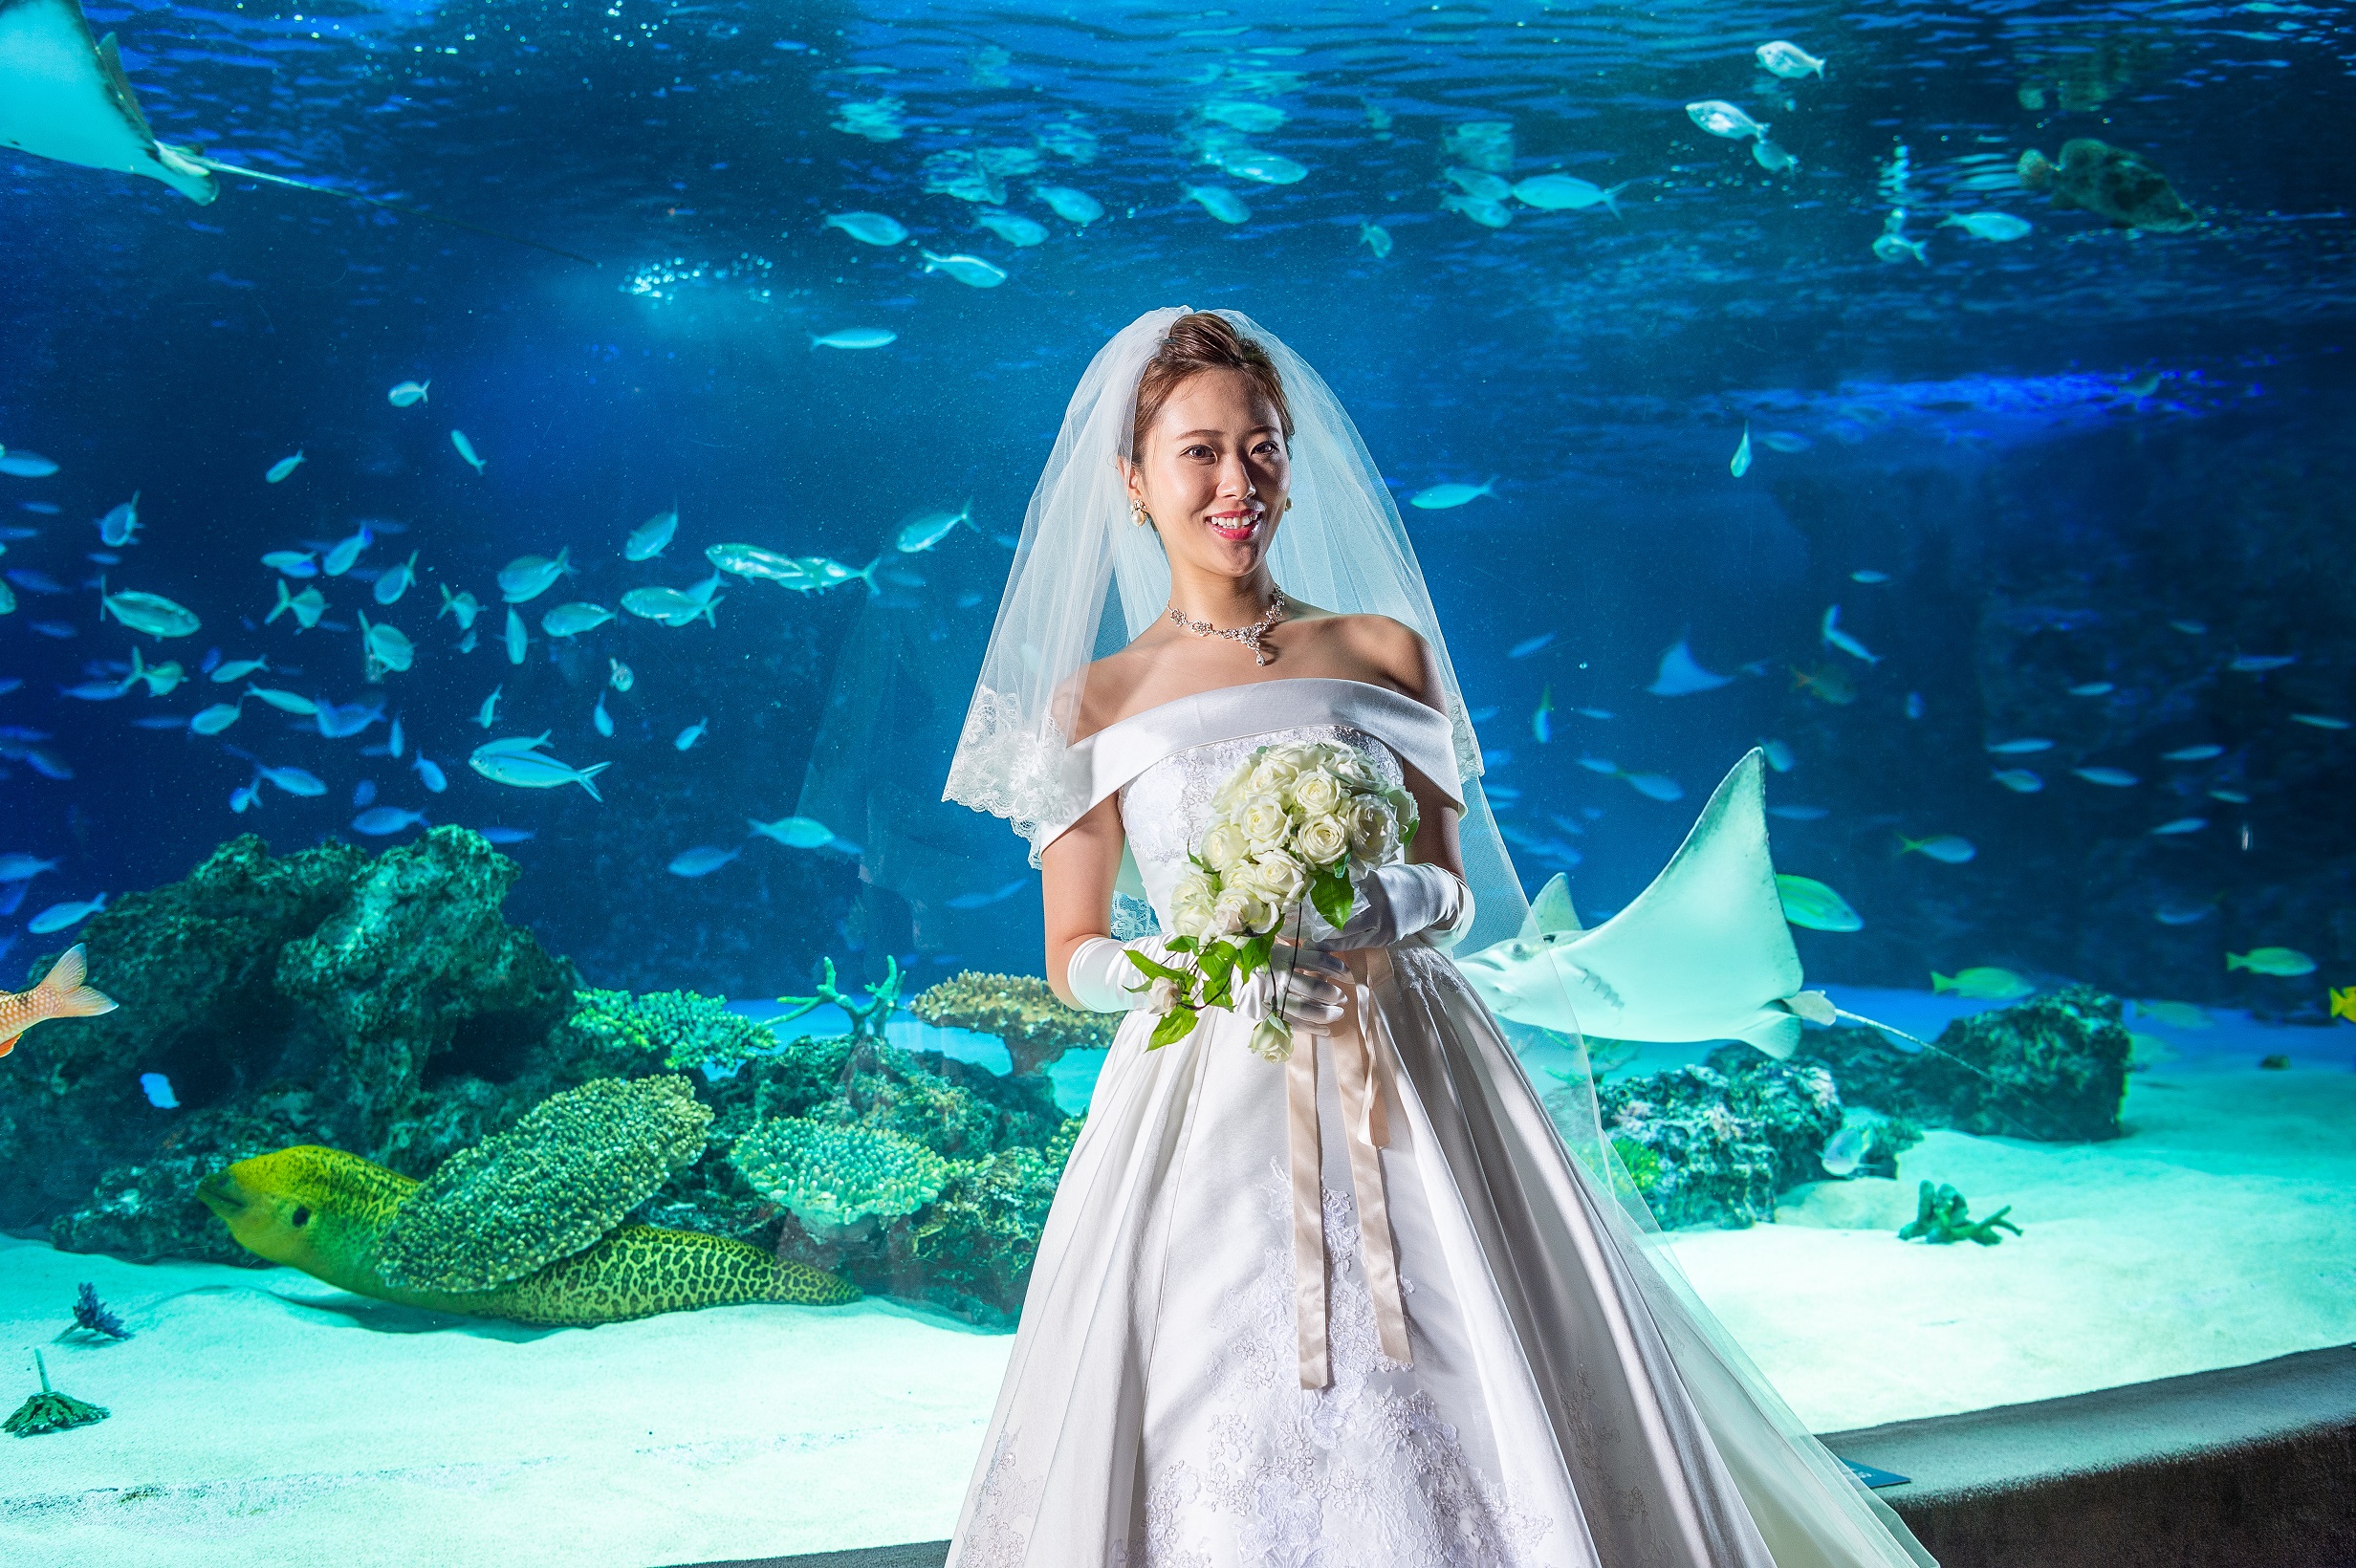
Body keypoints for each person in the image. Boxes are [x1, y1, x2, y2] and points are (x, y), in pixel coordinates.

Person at [941, 308, 1937, 1568]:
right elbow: (1072, 953)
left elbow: (1453, 892)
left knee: (1467, 1364)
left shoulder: (1383, 653)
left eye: (1261, 448)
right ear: (1132, 482)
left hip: (1406, 1060)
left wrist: (1360, 907)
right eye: (1199, 452)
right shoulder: (1093, 701)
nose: (1237, 482)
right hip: (1207, 1085)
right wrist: (1192, 959)